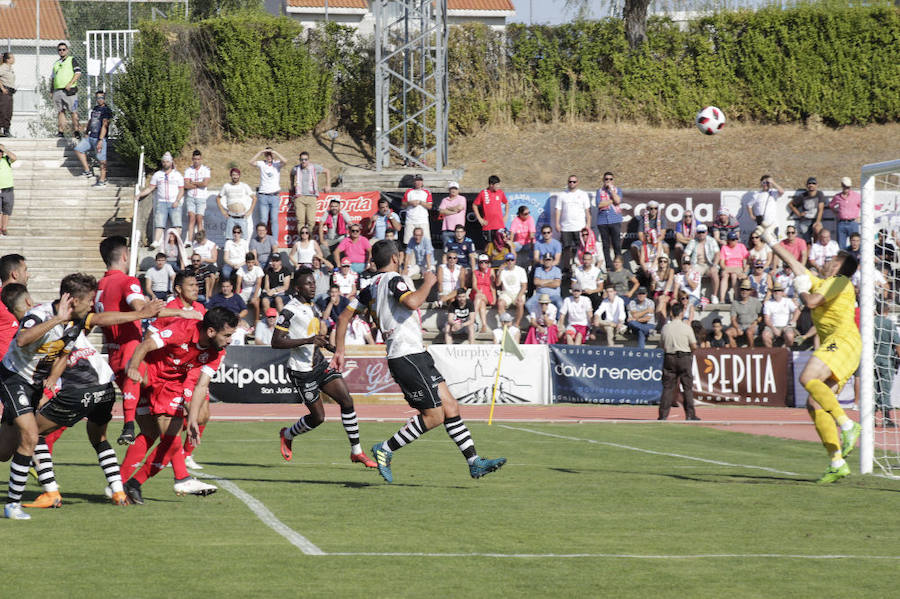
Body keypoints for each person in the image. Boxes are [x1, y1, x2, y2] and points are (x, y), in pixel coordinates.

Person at [331, 240, 506, 483]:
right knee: (434, 415)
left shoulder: (369, 287)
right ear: (394, 258)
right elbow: (412, 302)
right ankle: (386, 448)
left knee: (451, 407)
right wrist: (428, 282)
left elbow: (342, 317)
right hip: (406, 355)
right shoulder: (395, 279)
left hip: (414, 354)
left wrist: (340, 350)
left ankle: (474, 462)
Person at [0, 278, 163, 517]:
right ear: (74, 301)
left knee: (5, 450)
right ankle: (13, 505)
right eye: (89, 300)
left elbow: (63, 355)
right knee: (32, 435)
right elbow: (22, 340)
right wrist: (58, 319)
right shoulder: (40, 313)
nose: (93, 305)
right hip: (14, 378)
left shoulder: (76, 322)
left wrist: (51, 383)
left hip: (35, 384)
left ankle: (24, 499)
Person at [756, 221, 862, 483]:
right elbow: (795, 264)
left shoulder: (840, 282)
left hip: (844, 342)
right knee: (814, 404)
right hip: (839, 346)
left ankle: (848, 425)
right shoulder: (825, 281)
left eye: (832, 259)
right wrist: (771, 241)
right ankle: (837, 462)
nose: (826, 261)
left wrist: (802, 289)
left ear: (838, 266)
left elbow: (811, 301)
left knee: (807, 378)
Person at [122, 308, 237, 504]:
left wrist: (191, 419)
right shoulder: (182, 329)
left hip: (173, 385)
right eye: (227, 335)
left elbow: (201, 385)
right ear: (210, 332)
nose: (230, 340)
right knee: (167, 436)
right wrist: (133, 368)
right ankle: (177, 478)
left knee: (158, 436)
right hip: (150, 375)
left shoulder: (217, 352)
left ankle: (125, 484)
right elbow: (145, 345)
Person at [96, 237, 200, 446]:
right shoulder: (128, 281)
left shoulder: (101, 284)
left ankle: (124, 476)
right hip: (132, 354)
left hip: (114, 356)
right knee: (172, 419)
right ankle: (181, 472)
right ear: (125, 256)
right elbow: (142, 309)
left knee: (151, 432)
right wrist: (184, 313)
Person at [269, 269, 377, 468]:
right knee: (318, 418)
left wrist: (329, 346)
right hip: (302, 372)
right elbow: (276, 341)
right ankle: (287, 434)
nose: (313, 287)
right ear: (297, 288)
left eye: (313, 283)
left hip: (319, 364)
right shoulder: (289, 310)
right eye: (308, 284)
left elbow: (314, 336)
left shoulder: (314, 306)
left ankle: (357, 452)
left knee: (346, 400)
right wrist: (309, 340)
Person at [658, 301, 699, 421]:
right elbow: (694, 345)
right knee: (687, 387)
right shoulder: (686, 328)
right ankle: (690, 415)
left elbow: (662, 345)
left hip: (669, 357)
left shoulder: (666, 328)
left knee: (668, 388)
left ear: (671, 313)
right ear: (681, 313)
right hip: (684, 357)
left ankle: (663, 415)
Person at [137, 152, 185, 248]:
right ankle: (156, 241)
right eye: (164, 162)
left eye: (167, 162)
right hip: (162, 202)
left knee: (177, 224)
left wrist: (177, 201)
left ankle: (177, 241)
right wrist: (139, 195)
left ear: (171, 163)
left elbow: (181, 190)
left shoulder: (177, 175)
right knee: (159, 223)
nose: (165, 163)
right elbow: (150, 188)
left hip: (174, 202)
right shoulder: (157, 175)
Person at [74, 90, 112, 186]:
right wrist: (87, 131)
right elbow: (91, 120)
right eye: (98, 98)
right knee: (78, 149)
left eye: (101, 98)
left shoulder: (106, 110)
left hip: (99, 138)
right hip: (91, 136)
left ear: (104, 98)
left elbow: (104, 125)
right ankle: (87, 171)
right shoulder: (95, 108)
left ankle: (102, 180)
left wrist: (100, 140)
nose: (100, 100)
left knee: (101, 160)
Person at [555, 175, 591, 273]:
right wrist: (557, 223)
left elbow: (587, 210)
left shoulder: (583, 194)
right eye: (570, 181)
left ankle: (582, 266)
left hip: (580, 226)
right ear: (567, 182)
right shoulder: (562, 195)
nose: (572, 183)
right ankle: (567, 268)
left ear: (577, 182)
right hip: (566, 227)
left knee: (582, 247)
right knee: (567, 248)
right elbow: (558, 210)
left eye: (574, 182)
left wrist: (588, 224)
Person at [250, 147, 286, 244]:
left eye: (270, 155)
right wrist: (261, 152)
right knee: (263, 220)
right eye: (267, 155)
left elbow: (285, 161)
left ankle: (274, 241)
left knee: (274, 220)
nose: (269, 156)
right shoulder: (262, 163)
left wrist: (275, 152)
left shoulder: (277, 164)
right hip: (263, 196)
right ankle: (262, 240)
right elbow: (251, 162)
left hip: (274, 196)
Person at [874, 300, 899, 428]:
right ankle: (886, 418)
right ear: (887, 312)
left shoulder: (869, 323)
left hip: (871, 359)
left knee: (872, 388)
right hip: (885, 359)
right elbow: (897, 343)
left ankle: (871, 417)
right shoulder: (889, 323)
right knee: (885, 389)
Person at [290, 151, 330, 230]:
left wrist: (328, 185)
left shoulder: (315, 167)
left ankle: (310, 240)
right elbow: (291, 173)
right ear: (299, 160)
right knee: (300, 221)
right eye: (302, 159)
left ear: (309, 160)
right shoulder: (296, 168)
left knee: (311, 221)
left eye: (305, 159)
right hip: (299, 197)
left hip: (312, 197)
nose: (303, 161)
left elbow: (327, 171)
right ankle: (302, 240)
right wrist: (292, 185)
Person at [50, 43, 82, 138]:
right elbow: (53, 78)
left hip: (69, 90)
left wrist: (70, 83)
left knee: (73, 111)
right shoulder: (56, 63)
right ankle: (61, 131)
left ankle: (76, 131)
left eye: (64, 49)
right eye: (60, 50)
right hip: (58, 90)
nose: (62, 51)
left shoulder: (72, 60)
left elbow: (78, 73)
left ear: (67, 50)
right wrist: (51, 90)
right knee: (60, 111)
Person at [217, 167, 256, 243]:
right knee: (229, 239)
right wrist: (223, 211)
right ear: (231, 176)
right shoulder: (226, 186)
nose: (235, 176)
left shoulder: (244, 186)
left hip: (242, 216)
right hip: (231, 217)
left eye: (237, 175)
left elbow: (254, 198)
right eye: (233, 175)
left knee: (244, 239)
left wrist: (250, 211)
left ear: (239, 176)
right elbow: (218, 198)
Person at [684, 224, 721, 302]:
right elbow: (686, 254)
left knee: (714, 272)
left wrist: (714, 265)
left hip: (709, 264)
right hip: (697, 264)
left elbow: (717, 253)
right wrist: (687, 264)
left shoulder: (712, 240)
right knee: (692, 272)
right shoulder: (693, 242)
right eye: (699, 232)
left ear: (706, 232)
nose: (701, 234)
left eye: (703, 232)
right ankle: (694, 295)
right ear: (696, 233)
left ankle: (714, 296)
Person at [630, 201, 667, 276]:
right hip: (645, 240)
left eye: (655, 208)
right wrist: (647, 241)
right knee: (634, 246)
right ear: (647, 209)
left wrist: (655, 241)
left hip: (657, 239)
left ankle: (664, 267)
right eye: (651, 208)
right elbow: (640, 235)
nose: (653, 210)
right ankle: (641, 266)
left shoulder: (661, 219)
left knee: (666, 247)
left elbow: (662, 235)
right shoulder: (643, 219)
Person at [594, 171, 623, 271]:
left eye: (610, 179)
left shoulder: (617, 190)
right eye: (606, 179)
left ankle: (618, 265)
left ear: (613, 180)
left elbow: (618, 200)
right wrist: (611, 201)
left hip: (615, 220)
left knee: (616, 244)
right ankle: (609, 266)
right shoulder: (599, 191)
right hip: (602, 221)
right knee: (606, 245)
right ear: (603, 180)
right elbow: (599, 204)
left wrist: (612, 191)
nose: (608, 181)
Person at [182, 150, 211, 245]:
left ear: (201, 159)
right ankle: (189, 240)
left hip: (201, 197)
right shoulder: (188, 170)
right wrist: (199, 184)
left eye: (198, 159)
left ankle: (201, 239)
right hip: (190, 197)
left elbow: (205, 183)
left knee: (199, 218)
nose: (196, 161)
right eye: (194, 159)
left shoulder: (206, 170)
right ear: (192, 159)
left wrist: (193, 183)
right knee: (191, 218)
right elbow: (185, 185)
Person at [725, 279, 762, 347]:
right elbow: (733, 319)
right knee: (728, 333)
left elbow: (761, 315)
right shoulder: (735, 303)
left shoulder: (756, 301)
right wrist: (737, 328)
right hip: (740, 325)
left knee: (749, 332)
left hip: (752, 325)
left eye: (747, 289)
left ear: (750, 291)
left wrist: (755, 323)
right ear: (740, 290)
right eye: (742, 289)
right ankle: (735, 351)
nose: (744, 291)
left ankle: (751, 350)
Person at [473, 175, 508, 247]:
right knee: (488, 246)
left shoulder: (500, 192)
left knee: (500, 245)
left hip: (499, 225)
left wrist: (506, 215)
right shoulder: (483, 193)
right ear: (491, 185)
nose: (498, 186)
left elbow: (506, 203)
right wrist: (480, 219)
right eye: (497, 184)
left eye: (499, 184)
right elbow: (474, 205)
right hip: (488, 225)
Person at [496, 253, 528, 328]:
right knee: (500, 303)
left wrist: (519, 296)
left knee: (520, 303)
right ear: (505, 261)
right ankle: (505, 324)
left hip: (518, 292)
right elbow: (498, 284)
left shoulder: (521, 270)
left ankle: (517, 324)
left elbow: (524, 286)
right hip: (506, 293)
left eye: (512, 260)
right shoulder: (503, 271)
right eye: (508, 260)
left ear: (515, 261)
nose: (510, 262)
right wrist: (499, 272)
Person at [790, 177, 825, 242]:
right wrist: (799, 214)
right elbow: (791, 205)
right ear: (807, 185)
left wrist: (817, 222)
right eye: (809, 183)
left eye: (813, 183)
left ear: (816, 185)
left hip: (815, 220)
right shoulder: (803, 196)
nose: (811, 185)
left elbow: (821, 209)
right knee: (807, 243)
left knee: (817, 237)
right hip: (805, 221)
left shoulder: (819, 194)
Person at [761, 283, 797, 347]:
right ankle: (771, 353)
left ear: (782, 292)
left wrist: (791, 323)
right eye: (775, 291)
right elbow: (767, 319)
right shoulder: (768, 303)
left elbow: (797, 311)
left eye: (779, 290)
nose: (777, 292)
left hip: (786, 326)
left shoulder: (788, 301)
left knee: (790, 336)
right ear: (772, 292)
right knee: (765, 335)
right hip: (772, 326)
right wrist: (774, 328)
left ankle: (784, 351)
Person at [830, 177, 861, 250]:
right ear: (842, 185)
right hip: (842, 223)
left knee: (855, 245)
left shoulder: (856, 196)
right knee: (841, 245)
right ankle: (844, 260)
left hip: (853, 222)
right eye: (845, 186)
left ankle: (855, 260)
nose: (846, 188)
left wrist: (860, 217)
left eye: (848, 187)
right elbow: (831, 205)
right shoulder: (837, 197)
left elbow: (863, 206)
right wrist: (837, 213)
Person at [402, 174, 433, 245]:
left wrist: (420, 202)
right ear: (414, 182)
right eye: (416, 181)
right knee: (408, 242)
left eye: (420, 181)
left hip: (423, 220)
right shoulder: (408, 192)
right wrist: (410, 203)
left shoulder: (426, 192)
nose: (418, 183)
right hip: (410, 220)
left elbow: (430, 206)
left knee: (426, 242)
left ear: (422, 182)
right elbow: (403, 205)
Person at [719, 230, 748, 303]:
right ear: (728, 240)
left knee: (734, 276)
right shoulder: (724, 248)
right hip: (728, 267)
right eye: (732, 240)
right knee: (725, 276)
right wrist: (724, 269)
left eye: (735, 239)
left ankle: (737, 297)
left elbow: (746, 259)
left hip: (738, 267)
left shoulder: (741, 246)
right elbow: (722, 262)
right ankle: (722, 299)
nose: (734, 241)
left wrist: (744, 270)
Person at [236, 253, 264, 325]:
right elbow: (238, 284)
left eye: (252, 262)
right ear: (246, 262)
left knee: (256, 302)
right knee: (237, 303)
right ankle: (237, 323)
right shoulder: (241, 269)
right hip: (245, 291)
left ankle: (256, 323)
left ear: (254, 262)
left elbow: (258, 284)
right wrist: (236, 297)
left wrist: (254, 297)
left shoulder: (258, 269)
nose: (250, 264)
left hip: (255, 290)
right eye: (249, 262)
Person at [438, 182, 467, 248]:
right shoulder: (445, 200)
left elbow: (459, 208)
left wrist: (448, 208)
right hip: (447, 229)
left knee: (459, 249)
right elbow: (441, 211)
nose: (453, 190)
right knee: (447, 250)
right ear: (449, 190)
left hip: (459, 230)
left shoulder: (462, 198)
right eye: (452, 189)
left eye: (455, 189)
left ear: (458, 190)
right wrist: (454, 211)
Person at [472, 254, 495, 333]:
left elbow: (492, 286)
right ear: (478, 263)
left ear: (488, 263)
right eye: (481, 262)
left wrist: (494, 299)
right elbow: (474, 285)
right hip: (477, 293)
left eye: (485, 262)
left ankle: (472, 320)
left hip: (487, 294)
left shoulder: (491, 271)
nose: (483, 264)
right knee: (481, 302)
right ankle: (484, 325)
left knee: (479, 297)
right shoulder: (475, 272)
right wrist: (479, 292)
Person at [0, 144, 15, 236]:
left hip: (8, 189)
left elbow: (14, 157)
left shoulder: (6, 160)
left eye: (0, 152)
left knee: (6, 210)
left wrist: (4, 149)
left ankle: (4, 228)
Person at [0, 53, 14, 137]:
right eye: (12, 58)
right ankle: (3, 130)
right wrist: (2, 88)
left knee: (8, 112)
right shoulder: (3, 67)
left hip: (10, 92)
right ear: (7, 59)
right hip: (4, 92)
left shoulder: (9, 68)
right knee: (3, 111)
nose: (13, 59)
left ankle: (6, 130)